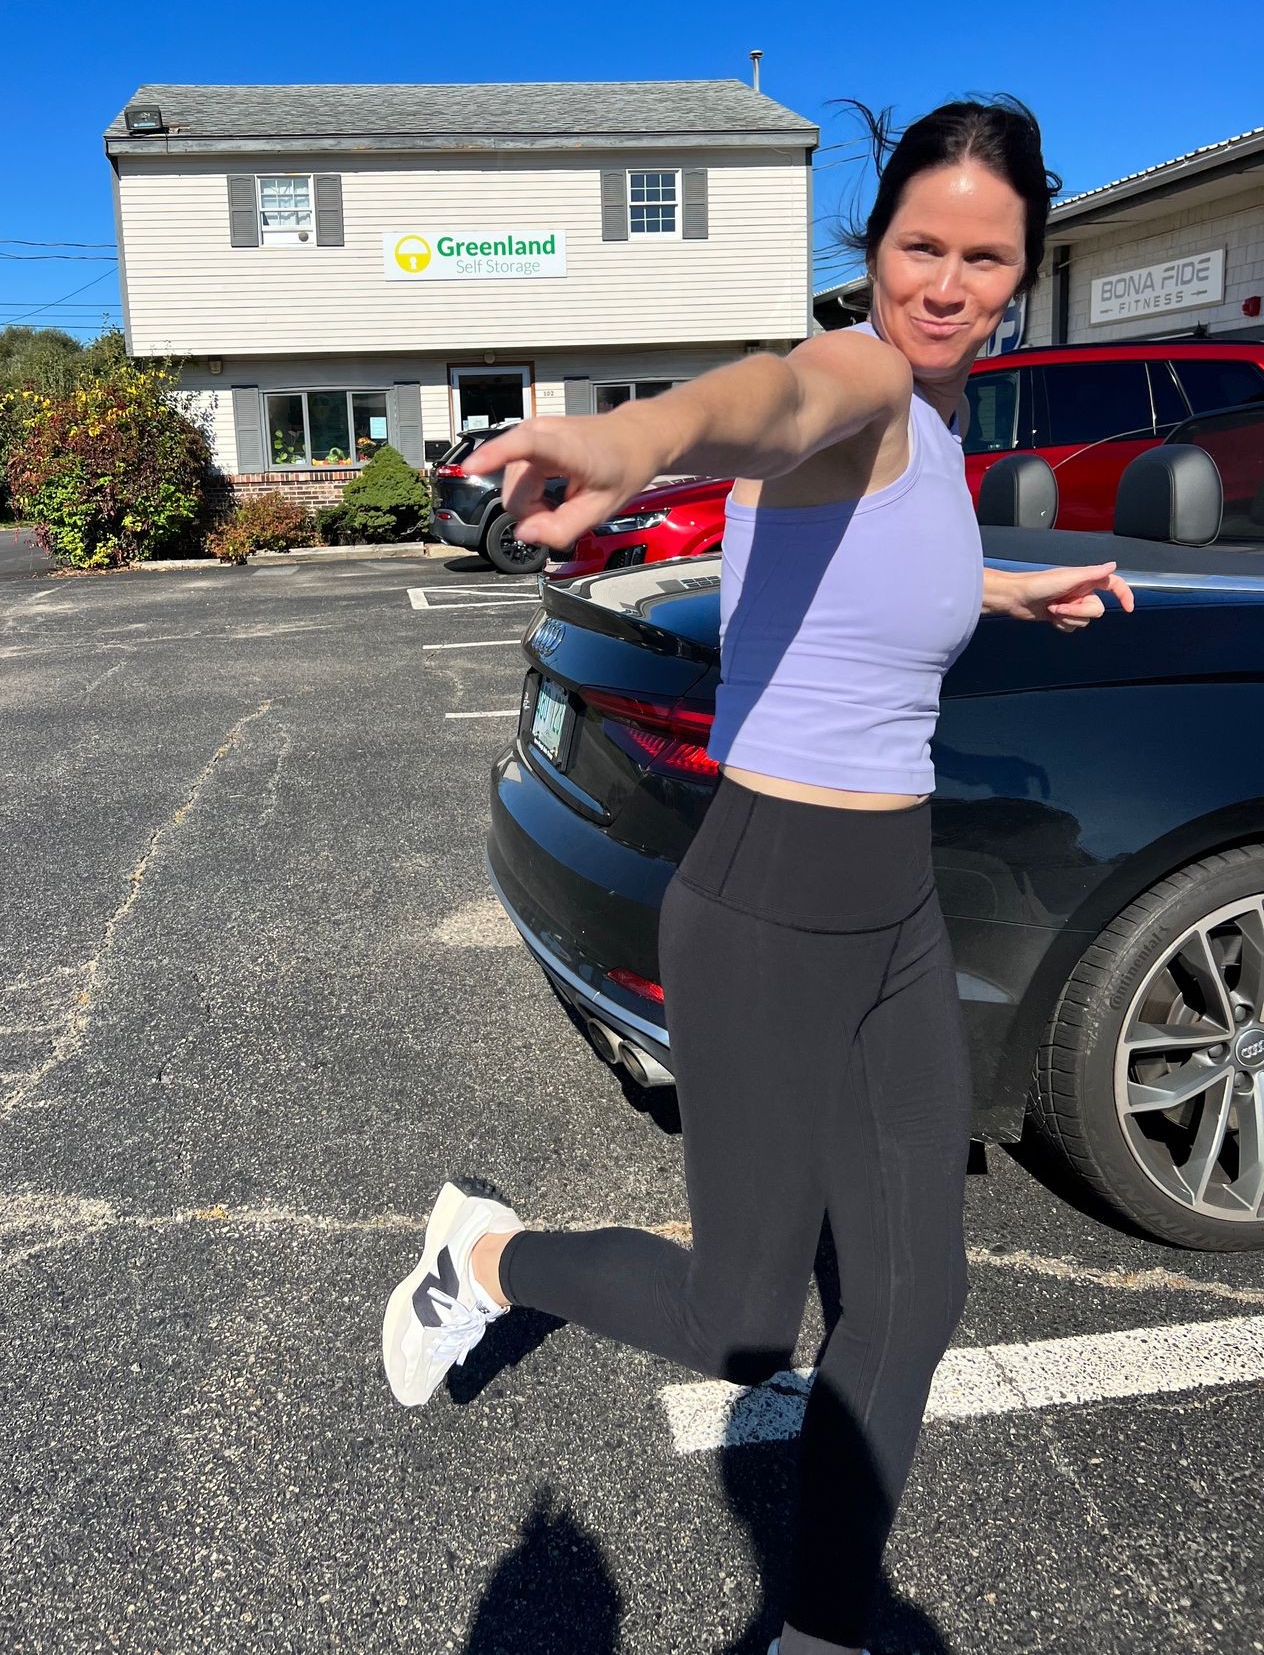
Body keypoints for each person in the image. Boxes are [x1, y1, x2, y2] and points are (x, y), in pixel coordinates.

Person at [382, 98, 1134, 1655]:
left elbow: (874, 565)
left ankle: (822, 1631)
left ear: (1022, 270)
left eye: (984, 258)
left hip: (893, 912)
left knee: (913, 1301)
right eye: (919, 246)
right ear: (873, 253)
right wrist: (615, 436)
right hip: (769, 907)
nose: (946, 282)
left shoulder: (933, 434)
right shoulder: (859, 380)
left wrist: (1008, 584)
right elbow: (770, 404)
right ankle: (479, 1252)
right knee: (742, 1322)